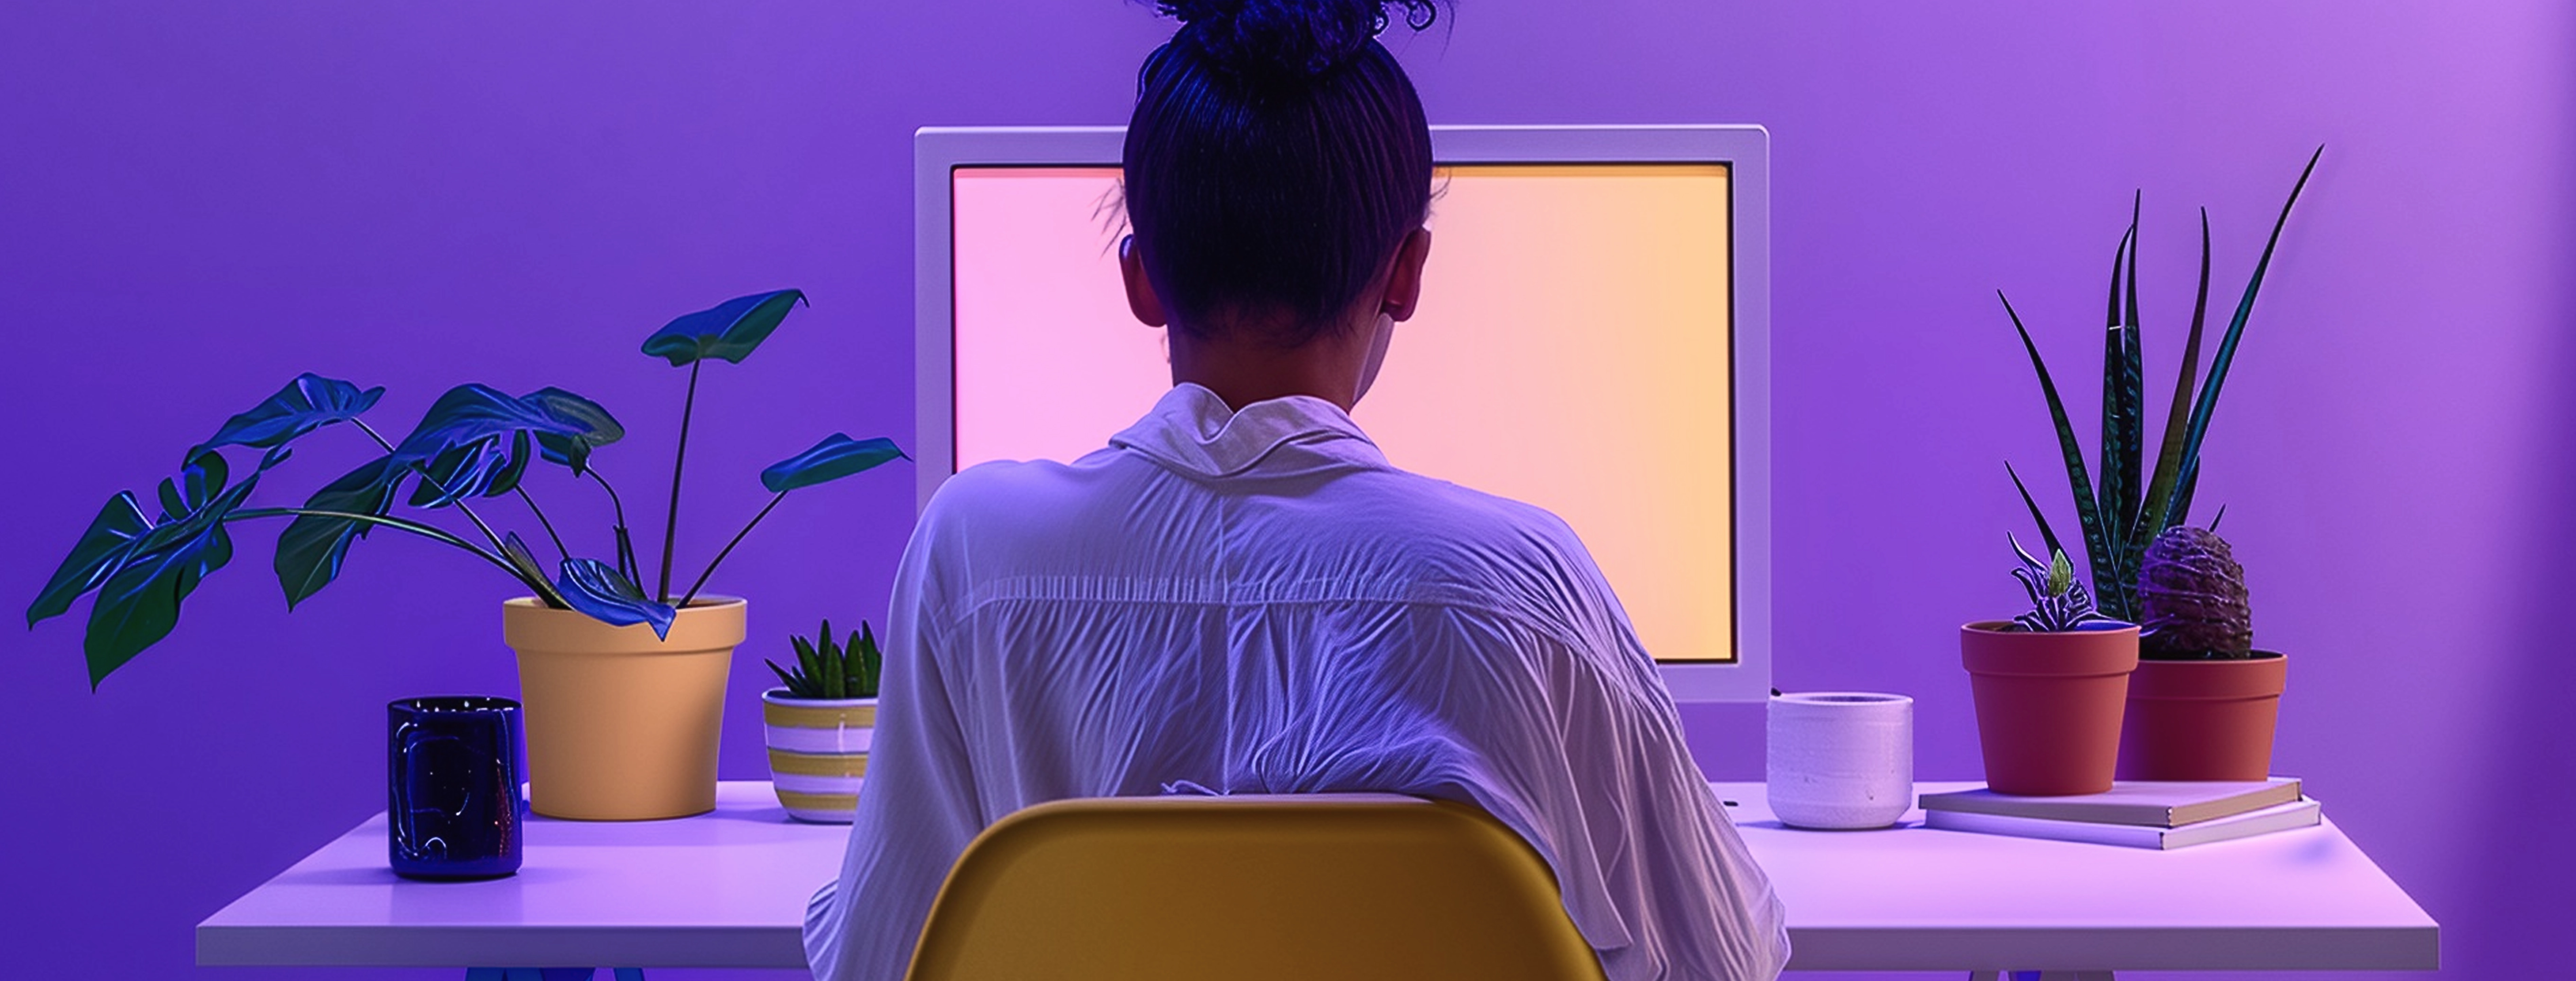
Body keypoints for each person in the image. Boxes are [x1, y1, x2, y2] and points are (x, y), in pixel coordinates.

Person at [803, 2, 1791, 978]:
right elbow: (1725, 955)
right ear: (1407, 272)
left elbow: (884, 956)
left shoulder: (976, 559)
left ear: (1141, 279)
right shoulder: (1524, 587)